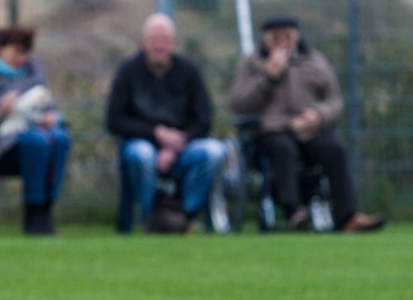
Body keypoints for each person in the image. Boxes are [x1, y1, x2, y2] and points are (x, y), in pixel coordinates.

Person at [229, 15, 385, 233]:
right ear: (265, 40)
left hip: (312, 129)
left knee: (335, 150)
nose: (283, 42)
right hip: (273, 130)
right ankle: (294, 212)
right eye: (276, 37)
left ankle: (348, 216)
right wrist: (268, 77)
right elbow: (238, 103)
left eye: (288, 36)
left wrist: (319, 115)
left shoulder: (315, 60)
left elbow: (335, 100)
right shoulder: (252, 64)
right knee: (283, 149)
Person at [107, 13, 227, 232]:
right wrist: (156, 134)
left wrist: (177, 144)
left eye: (165, 40)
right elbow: (115, 120)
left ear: (174, 44)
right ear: (143, 43)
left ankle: (183, 216)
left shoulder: (189, 72)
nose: (159, 46)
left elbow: (204, 119)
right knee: (142, 155)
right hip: (142, 143)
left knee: (215, 151)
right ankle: (149, 221)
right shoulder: (128, 71)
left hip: (184, 146)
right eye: (154, 39)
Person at [0, 25, 70, 235]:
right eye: (17, 52)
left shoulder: (34, 72)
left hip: (36, 137)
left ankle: (45, 210)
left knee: (60, 138)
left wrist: (50, 117)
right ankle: (35, 215)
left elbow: (48, 106)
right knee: (36, 142)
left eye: (26, 52)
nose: (22, 58)